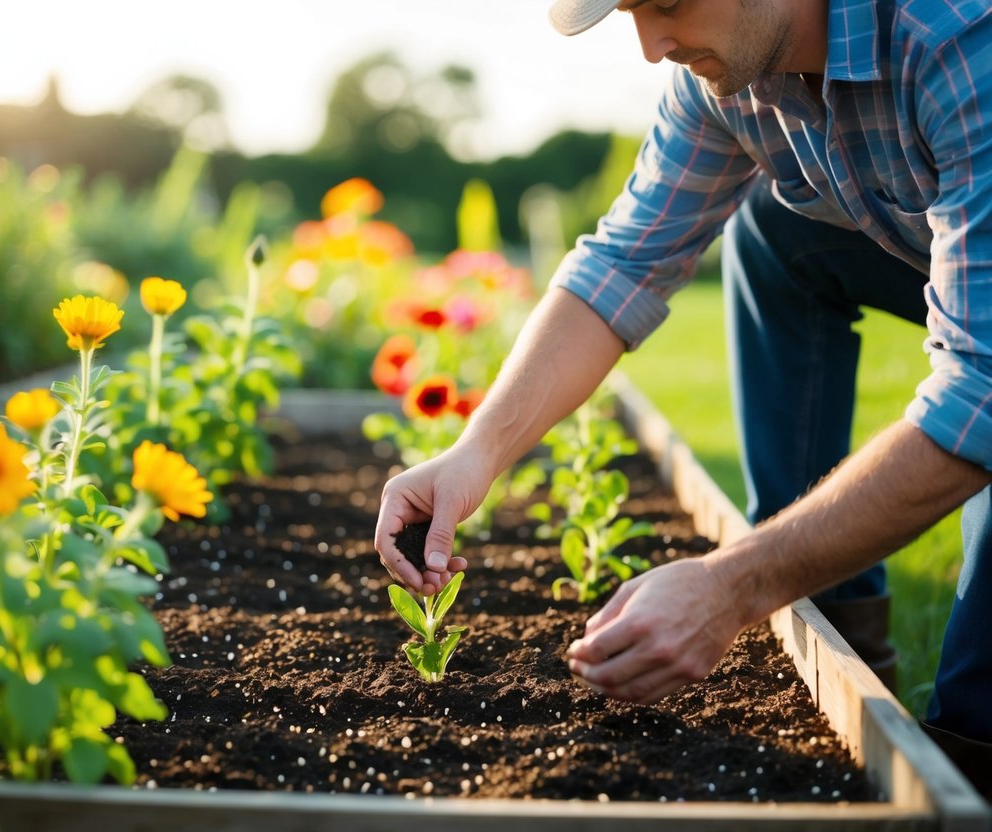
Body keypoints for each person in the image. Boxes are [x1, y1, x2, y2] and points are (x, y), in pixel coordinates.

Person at [373, 0, 992, 798]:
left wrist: (732, 583)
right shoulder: (730, 76)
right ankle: (835, 642)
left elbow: (980, 389)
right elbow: (624, 263)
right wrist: (476, 451)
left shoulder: (956, 41)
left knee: (972, 715)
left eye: (666, 3)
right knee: (775, 229)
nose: (649, 47)